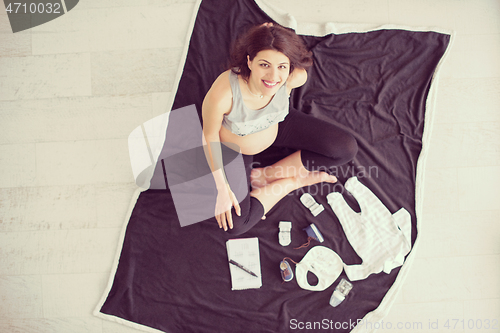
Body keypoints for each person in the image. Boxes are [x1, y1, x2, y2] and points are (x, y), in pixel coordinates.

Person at [202, 22, 357, 235]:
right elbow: (209, 136)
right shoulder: (224, 93)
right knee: (235, 223)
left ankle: (265, 176)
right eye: (264, 65)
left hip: (277, 126)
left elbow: (294, 58)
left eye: (282, 67)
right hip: (238, 147)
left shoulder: (295, 77)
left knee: (345, 148)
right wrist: (221, 187)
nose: (273, 77)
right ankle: (291, 182)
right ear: (249, 61)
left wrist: (278, 33)